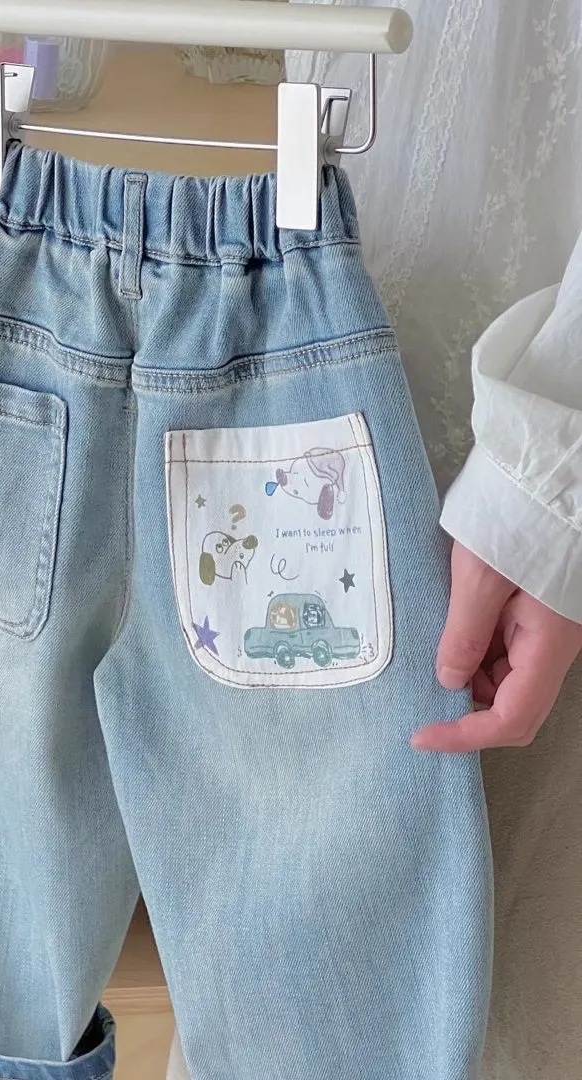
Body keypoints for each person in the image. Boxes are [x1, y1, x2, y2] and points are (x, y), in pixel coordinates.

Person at [171, 5, 582, 1076]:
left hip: (516, 416)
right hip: (318, 312)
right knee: (270, 990)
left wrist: (552, 491)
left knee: (516, 1009)